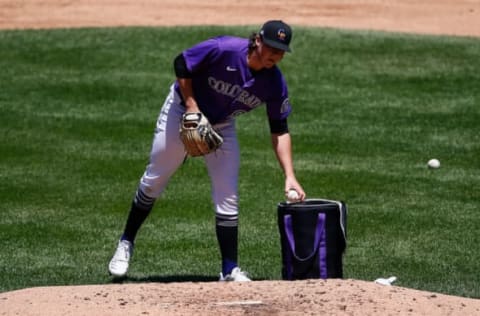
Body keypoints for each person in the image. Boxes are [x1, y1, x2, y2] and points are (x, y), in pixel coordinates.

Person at [108, 20, 306, 282]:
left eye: (281, 51)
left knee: (228, 193)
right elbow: (182, 63)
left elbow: (279, 129)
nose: (276, 55)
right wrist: (191, 106)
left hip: (221, 126)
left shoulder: (274, 82)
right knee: (156, 179)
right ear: (257, 40)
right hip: (182, 110)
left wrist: (289, 175)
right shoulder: (223, 48)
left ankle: (229, 269)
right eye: (271, 47)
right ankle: (126, 243)